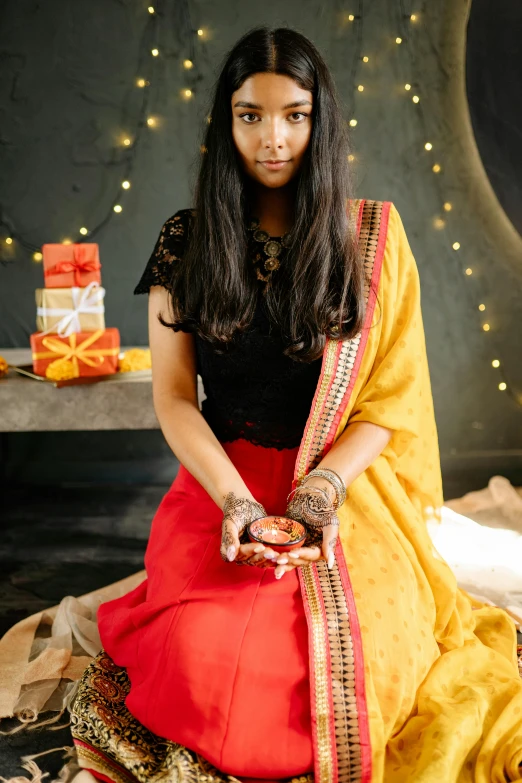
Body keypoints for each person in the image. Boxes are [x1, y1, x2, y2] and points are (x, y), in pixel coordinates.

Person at [67, 26, 522, 783]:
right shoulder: (186, 243)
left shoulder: (369, 239)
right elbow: (177, 398)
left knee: (351, 672)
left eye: (294, 114)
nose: (273, 138)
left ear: (321, 120)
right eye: (252, 115)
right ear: (227, 120)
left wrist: (320, 490)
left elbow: (387, 401)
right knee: (201, 670)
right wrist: (236, 503)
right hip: (221, 484)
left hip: (344, 484)